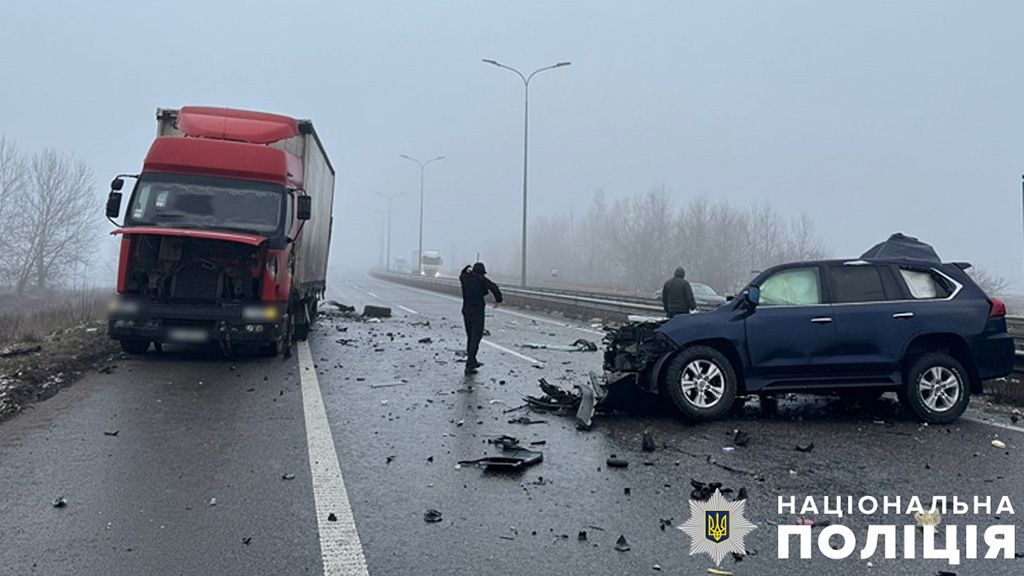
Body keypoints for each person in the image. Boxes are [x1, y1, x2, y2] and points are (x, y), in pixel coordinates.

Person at [459, 262, 503, 374]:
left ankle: (472, 361)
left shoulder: (466, 279)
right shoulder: (482, 280)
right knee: (476, 337)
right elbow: (494, 287)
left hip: (466, 311)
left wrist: (466, 268)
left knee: (470, 336)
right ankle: (470, 363)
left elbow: (462, 274)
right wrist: (499, 300)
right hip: (477, 312)